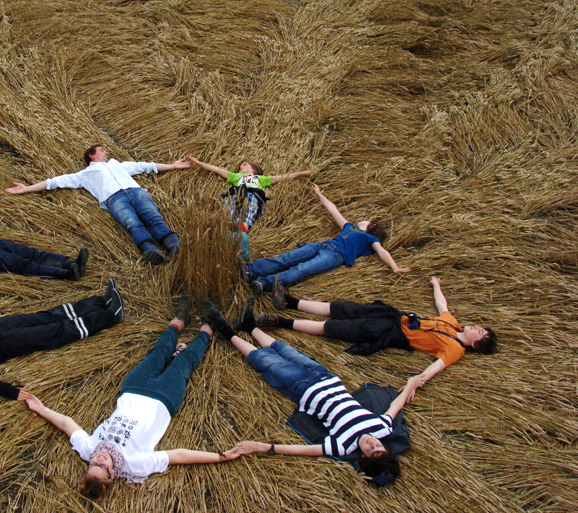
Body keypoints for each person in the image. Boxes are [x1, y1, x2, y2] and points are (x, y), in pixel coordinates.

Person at [20, 297, 240, 498]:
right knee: (185, 362)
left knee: (158, 352)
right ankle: (208, 328)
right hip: (163, 398)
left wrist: (41, 409)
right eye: (103, 467)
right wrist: (219, 456)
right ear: (112, 474)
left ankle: (180, 320)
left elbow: (67, 424)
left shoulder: (88, 449)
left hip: (132, 389)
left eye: (94, 464)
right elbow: (178, 456)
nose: (99, 459)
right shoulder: (135, 464)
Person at [204, 302, 423, 486]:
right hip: (327, 378)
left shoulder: (342, 445)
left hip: (304, 390)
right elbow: (396, 406)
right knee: (284, 349)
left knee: (265, 360)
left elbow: (301, 450)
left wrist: (261, 447)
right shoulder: (381, 428)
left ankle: (226, 330)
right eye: (379, 446)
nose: (372, 443)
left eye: (371, 450)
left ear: (364, 457)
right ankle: (249, 325)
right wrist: (411, 383)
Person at [260, 276, 496, 394]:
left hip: (388, 331)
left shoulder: (455, 349)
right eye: (480, 327)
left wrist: (414, 384)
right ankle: (288, 301)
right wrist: (436, 285)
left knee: (333, 328)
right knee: (339, 308)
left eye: (480, 332)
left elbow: (434, 369)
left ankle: (279, 322)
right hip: (391, 316)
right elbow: (442, 305)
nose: (477, 327)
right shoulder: (453, 324)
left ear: (475, 345)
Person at [5, 145, 191, 265]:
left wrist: (172, 166)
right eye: (102, 150)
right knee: (132, 224)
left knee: (153, 217)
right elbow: (55, 182)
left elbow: (145, 166)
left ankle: (173, 245)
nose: (107, 152)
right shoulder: (85, 174)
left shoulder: (119, 164)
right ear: (91, 155)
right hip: (114, 198)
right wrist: (27, 188)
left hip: (135, 191)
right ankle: (150, 250)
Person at [242, 184, 410, 293]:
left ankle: (264, 283)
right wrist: (319, 194)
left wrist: (395, 267)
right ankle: (251, 270)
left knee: (302, 269)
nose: (364, 219)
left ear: (372, 226)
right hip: (323, 245)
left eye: (368, 220)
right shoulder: (349, 228)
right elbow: (334, 210)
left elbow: (382, 252)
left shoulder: (370, 239)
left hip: (336, 256)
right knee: (287, 258)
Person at [187, 156, 316, 233]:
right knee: (228, 207)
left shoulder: (261, 179)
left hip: (253, 195)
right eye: (240, 166)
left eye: (244, 165)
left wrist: (301, 173)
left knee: (250, 209)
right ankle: (225, 225)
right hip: (235, 194)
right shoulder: (236, 176)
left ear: (254, 169)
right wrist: (198, 162)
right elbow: (216, 169)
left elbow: (282, 177)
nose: (240, 167)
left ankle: (243, 227)